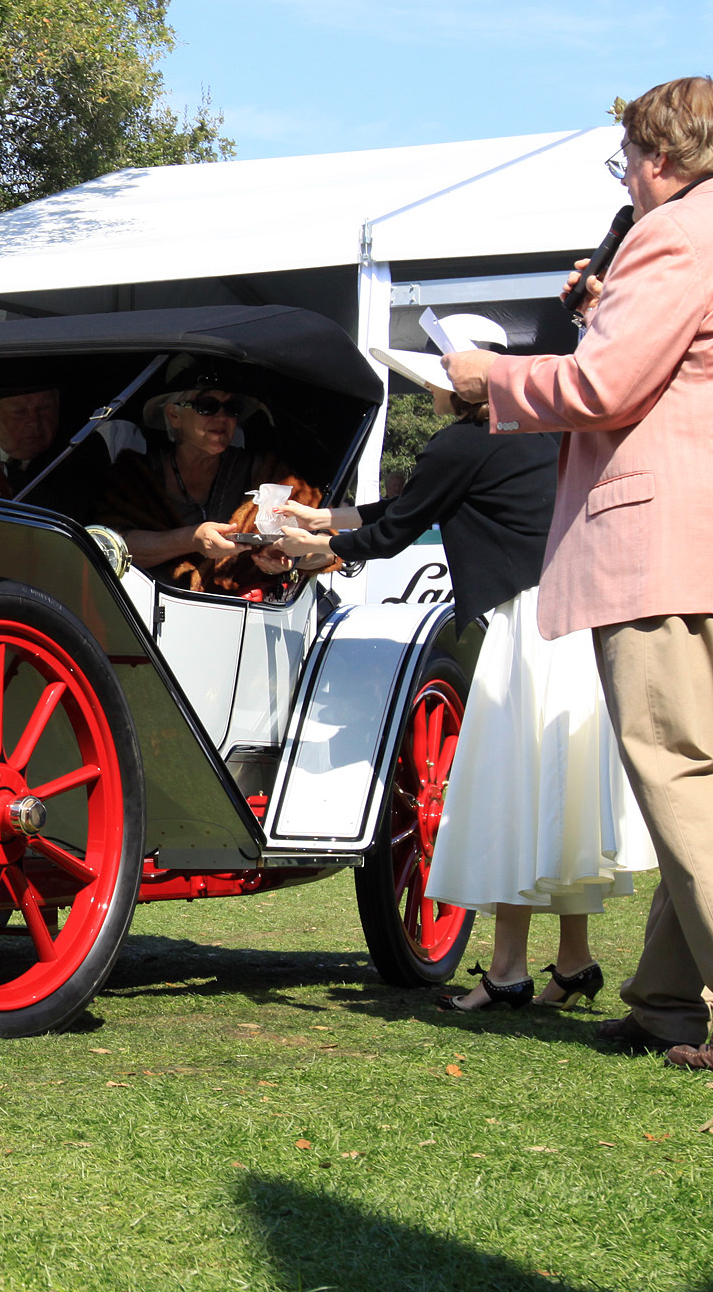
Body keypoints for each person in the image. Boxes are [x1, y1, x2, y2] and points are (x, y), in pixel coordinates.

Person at [447, 76, 713, 1066]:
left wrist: (489, 378)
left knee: (678, 776)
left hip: (663, 546)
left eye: (625, 163)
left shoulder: (672, 230)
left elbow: (603, 384)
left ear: (654, 157)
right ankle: (661, 1001)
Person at [277, 358, 655, 1011]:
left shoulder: (457, 444)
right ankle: (574, 959)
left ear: (458, 390)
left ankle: (508, 968)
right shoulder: (534, 434)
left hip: (523, 632)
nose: (429, 389)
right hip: (568, 625)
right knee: (553, 800)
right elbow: (406, 504)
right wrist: (320, 521)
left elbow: (396, 528)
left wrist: (322, 549)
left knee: (514, 792)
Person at [94, 370, 323, 594]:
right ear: (174, 416)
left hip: (245, 621)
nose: (222, 418)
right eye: (207, 405)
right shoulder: (135, 476)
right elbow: (109, 544)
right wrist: (191, 539)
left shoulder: (269, 475)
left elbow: (330, 546)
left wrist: (295, 556)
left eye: (233, 408)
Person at [0, 381, 113, 525]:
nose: (34, 422)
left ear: (58, 408)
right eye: (20, 412)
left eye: (44, 408)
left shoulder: (81, 448)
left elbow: (67, 517)